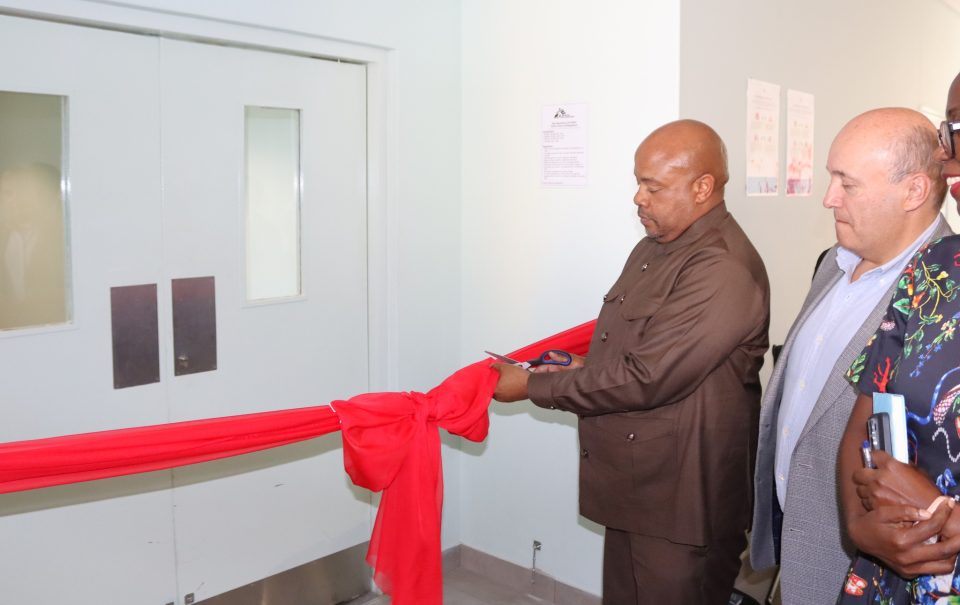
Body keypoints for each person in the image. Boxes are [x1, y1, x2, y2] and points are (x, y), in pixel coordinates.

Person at [492, 119, 770, 605]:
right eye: (638, 183)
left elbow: (648, 378)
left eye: (653, 187)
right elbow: (640, 351)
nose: (638, 198)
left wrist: (532, 388)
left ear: (702, 187)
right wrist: (580, 367)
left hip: (682, 499)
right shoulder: (656, 247)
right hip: (640, 484)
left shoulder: (720, 266)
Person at [749, 107, 952, 604]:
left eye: (848, 183)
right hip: (796, 537)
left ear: (914, 191)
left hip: (867, 567)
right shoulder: (832, 263)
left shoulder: (942, 294)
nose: (828, 198)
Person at [835, 71, 960, 603]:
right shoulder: (934, 270)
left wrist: (942, 512)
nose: (947, 160)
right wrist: (856, 523)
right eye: (950, 134)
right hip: (888, 580)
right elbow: (863, 419)